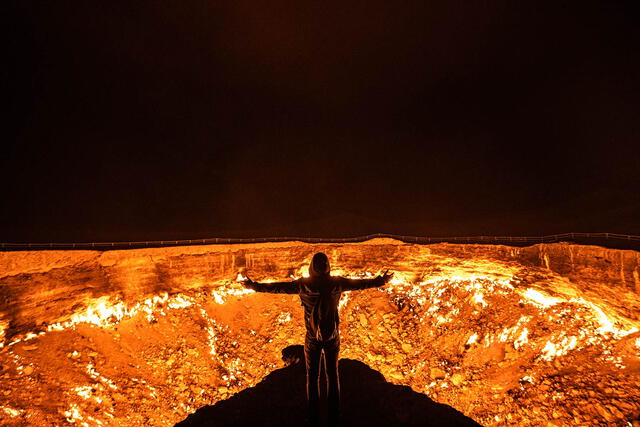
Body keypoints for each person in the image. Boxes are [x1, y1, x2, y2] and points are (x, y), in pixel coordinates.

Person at [241, 252, 394, 426]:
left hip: (312, 337)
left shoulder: (304, 285)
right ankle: (334, 414)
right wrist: (381, 280)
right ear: (328, 267)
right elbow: (360, 284)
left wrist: (253, 286)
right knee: (332, 374)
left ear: (312, 268)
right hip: (332, 337)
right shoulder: (337, 283)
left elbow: (278, 288)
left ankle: (313, 416)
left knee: (312, 377)